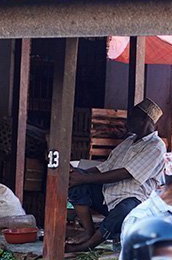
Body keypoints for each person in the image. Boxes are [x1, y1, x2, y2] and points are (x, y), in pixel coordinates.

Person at [67, 98, 166, 252]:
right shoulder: (128, 141)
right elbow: (105, 167)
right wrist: (78, 174)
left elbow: (126, 173)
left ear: (145, 120)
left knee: (123, 211)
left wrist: (85, 177)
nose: (128, 121)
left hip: (135, 200)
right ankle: (88, 231)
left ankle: (89, 245)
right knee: (77, 183)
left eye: (132, 117)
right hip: (109, 195)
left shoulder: (156, 146)